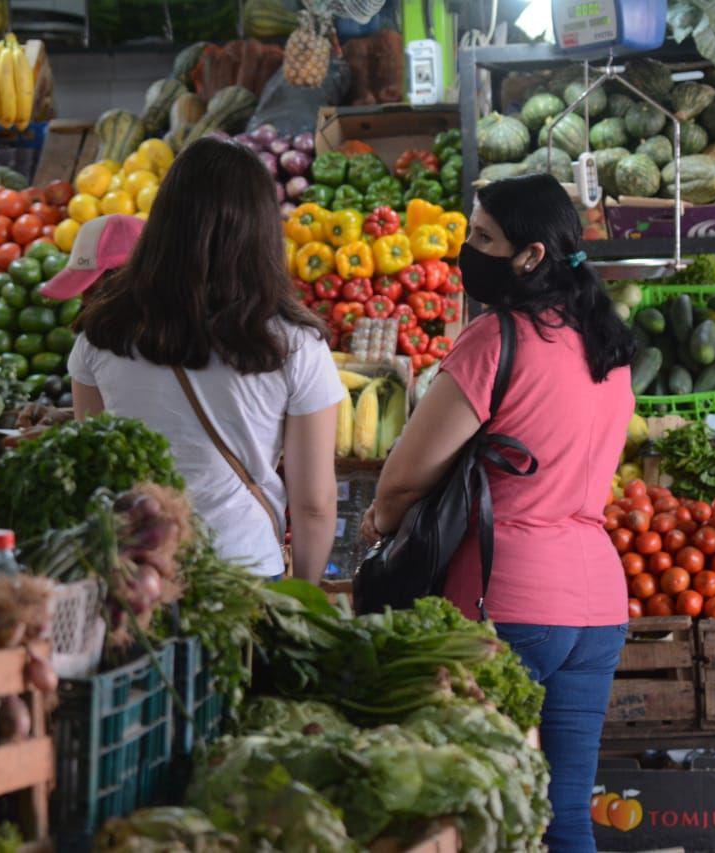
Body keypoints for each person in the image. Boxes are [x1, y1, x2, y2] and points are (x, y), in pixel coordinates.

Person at [360, 173, 637, 851]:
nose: (468, 248)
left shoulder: (497, 339)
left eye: (483, 237)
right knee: (565, 812)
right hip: (598, 605)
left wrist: (377, 525)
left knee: (480, 816)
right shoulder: (609, 348)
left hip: (507, 599)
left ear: (531, 255)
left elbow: (402, 480)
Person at [68, 138, 342, 581]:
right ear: (262, 230)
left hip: (138, 572)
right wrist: (305, 599)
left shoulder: (101, 333)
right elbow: (314, 504)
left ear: (163, 222)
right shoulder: (294, 344)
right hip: (244, 570)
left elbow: (97, 469)